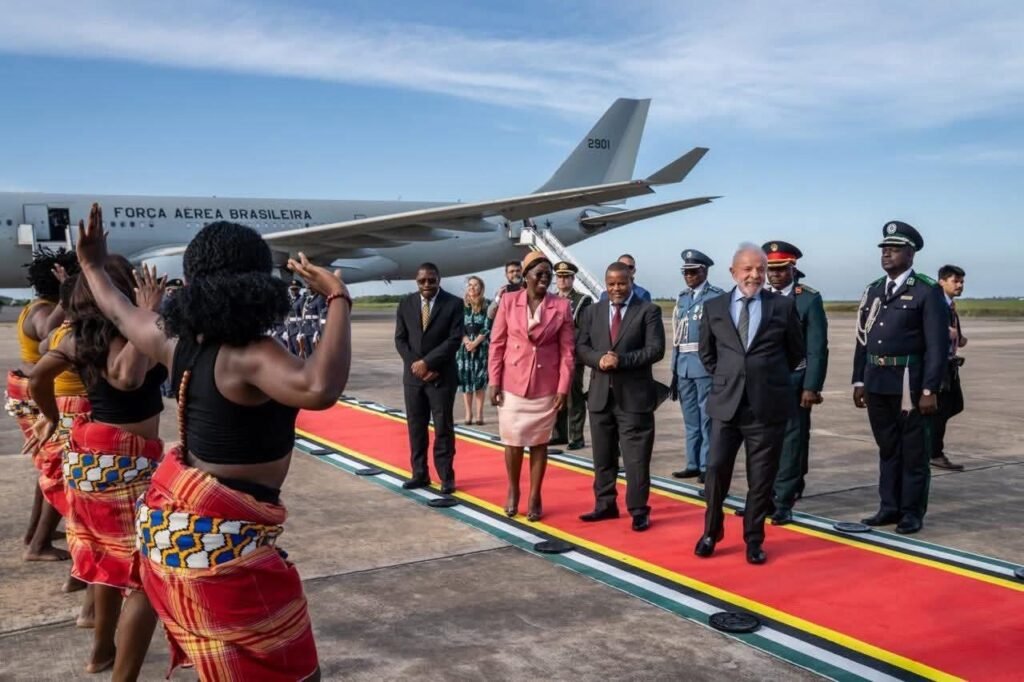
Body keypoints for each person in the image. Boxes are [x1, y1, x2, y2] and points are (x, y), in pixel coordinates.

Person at [76, 204, 352, 681]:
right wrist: (338, 298)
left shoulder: (175, 344)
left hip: (174, 534)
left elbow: (120, 311)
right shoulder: (251, 355)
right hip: (223, 547)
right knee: (294, 671)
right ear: (258, 283)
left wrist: (92, 266)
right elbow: (320, 387)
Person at [27, 255, 165, 677]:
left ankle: (101, 648)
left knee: (105, 558)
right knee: (144, 568)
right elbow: (128, 377)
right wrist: (147, 314)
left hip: (92, 459)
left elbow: (38, 378)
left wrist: (51, 414)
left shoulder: (78, 337)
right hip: (126, 462)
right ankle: (118, 662)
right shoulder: (133, 333)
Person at [694, 243, 804, 564]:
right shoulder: (714, 307)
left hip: (766, 406)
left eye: (760, 269)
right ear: (733, 272)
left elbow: (795, 352)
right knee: (716, 469)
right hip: (726, 405)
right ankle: (711, 531)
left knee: (761, 477)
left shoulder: (782, 306)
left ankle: (754, 539)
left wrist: (764, 376)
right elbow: (707, 353)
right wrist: (730, 377)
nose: (755, 275)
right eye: (748, 269)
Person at [853, 221, 947, 535]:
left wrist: (930, 388)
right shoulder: (873, 289)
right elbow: (862, 338)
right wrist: (858, 380)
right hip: (877, 381)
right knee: (888, 448)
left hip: (910, 383)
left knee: (914, 452)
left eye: (894, 249)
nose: (887, 254)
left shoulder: (926, 290)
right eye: (884, 249)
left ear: (911, 254)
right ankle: (889, 507)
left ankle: (911, 512)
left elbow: (936, 345)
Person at [577, 261, 665, 532]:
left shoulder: (648, 310)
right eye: (612, 284)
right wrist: (598, 359)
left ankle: (638, 510)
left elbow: (655, 349)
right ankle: (605, 504)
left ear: (631, 282)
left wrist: (621, 360)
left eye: (622, 283)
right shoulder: (592, 311)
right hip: (600, 396)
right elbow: (581, 346)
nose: (616, 288)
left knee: (636, 458)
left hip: (634, 398)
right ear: (606, 284)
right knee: (603, 456)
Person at [488, 253, 575, 521]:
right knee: (513, 442)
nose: (544, 278)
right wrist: (494, 381)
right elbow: (497, 343)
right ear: (525, 276)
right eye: (539, 273)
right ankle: (513, 489)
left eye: (548, 274)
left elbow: (567, 351)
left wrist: (563, 387)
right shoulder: (508, 301)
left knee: (539, 443)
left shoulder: (561, 306)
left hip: (545, 384)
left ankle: (535, 495)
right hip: (512, 383)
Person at [5, 247, 77, 558]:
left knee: (50, 466)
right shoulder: (44, 311)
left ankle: (36, 532)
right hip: (43, 392)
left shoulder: (37, 306)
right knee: (58, 468)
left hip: (36, 388)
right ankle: (39, 544)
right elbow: (49, 333)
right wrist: (68, 295)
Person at [762, 241, 829, 525]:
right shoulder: (759, 296)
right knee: (763, 441)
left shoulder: (807, 299)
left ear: (793, 268)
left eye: (780, 269)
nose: (774, 275)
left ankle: (784, 500)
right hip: (763, 383)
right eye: (770, 270)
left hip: (794, 381)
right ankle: (763, 497)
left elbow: (817, 348)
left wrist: (811, 387)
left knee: (791, 442)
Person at [395, 262, 464, 493]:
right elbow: (400, 339)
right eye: (422, 280)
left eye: (431, 280)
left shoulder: (453, 304)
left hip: (441, 377)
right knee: (416, 427)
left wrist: (429, 363)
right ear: (416, 281)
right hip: (413, 378)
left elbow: (454, 340)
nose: (426, 284)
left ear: (438, 280)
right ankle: (419, 474)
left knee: (443, 428)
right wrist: (417, 366)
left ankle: (446, 476)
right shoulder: (406, 303)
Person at [669, 249, 724, 481]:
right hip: (683, 366)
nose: (689, 276)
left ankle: (705, 465)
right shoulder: (682, 297)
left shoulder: (716, 296)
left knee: (706, 419)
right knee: (691, 419)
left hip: (704, 367)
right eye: (686, 272)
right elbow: (677, 336)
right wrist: (674, 368)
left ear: (704, 272)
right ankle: (692, 463)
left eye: (693, 272)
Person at [928, 265, 968, 471]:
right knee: (940, 410)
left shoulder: (949, 305)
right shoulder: (935, 304)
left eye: (962, 282)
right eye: (955, 281)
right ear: (942, 281)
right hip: (938, 365)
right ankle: (934, 453)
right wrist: (944, 332)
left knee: (955, 405)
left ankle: (929, 443)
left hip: (950, 364)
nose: (960, 285)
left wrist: (959, 338)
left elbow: (953, 331)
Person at [550, 260, 593, 449]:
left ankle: (576, 437)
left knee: (573, 395)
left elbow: (582, 329)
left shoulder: (582, 300)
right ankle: (559, 434)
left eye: (566, 277)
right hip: (552, 356)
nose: (562, 280)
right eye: (559, 277)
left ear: (573, 278)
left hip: (571, 354)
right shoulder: (550, 299)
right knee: (555, 394)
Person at [456, 276, 491, 425]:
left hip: (481, 347)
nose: (472, 287)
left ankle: (479, 414)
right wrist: (467, 342)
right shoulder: (461, 305)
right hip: (464, 348)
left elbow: (487, 326)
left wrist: (475, 343)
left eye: (476, 285)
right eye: (470, 285)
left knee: (479, 381)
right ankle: (468, 413)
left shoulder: (487, 305)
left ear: (481, 288)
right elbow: (458, 326)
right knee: (466, 381)